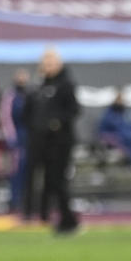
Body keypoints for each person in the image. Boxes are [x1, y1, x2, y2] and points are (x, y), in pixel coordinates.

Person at [23, 48, 80, 234]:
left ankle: (69, 220)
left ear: (59, 64)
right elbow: (28, 111)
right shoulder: (38, 86)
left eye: (51, 62)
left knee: (58, 180)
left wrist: (55, 122)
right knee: (44, 180)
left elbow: (74, 111)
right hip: (41, 141)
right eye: (45, 63)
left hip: (60, 142)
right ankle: (44, 215)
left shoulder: (66, 84)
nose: (48, 66)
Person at [97, 89, 131, 180]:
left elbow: (130, 127)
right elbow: (103, 130)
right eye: (118, 99)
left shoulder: (126, 113)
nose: (120, 101)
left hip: (128, 140)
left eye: (122, 99)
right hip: (116, 140)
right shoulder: (109, 113)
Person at [0, 68, 30, 213]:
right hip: (17, 138)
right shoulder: (11, 95)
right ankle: (14, 202)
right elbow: (6, 117)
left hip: (28, 138)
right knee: (15, 171)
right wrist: (11, 137)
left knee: (28, 171)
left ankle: (26, 201)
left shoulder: (29, 94)